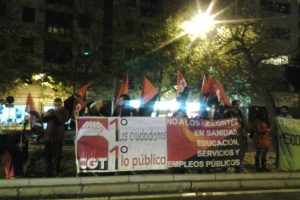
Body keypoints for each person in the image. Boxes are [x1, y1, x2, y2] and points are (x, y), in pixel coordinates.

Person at [43, 98, 69, 177]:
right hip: (48, 137)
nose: (56, 106)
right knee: (48, 157)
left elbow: (62, 120)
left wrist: (56, 112)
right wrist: (45, 115)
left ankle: (56, 173)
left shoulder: (64, 112)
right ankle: (48, 173)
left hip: (58, 138)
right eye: (55, 105)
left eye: (58, 105)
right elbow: (44, 120)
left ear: (61, 105)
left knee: (57, 157)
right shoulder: (51, 110)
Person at [224, 100, 249, 173]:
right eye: (237, 104)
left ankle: (239, 167)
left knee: (240, 152)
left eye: (239, 104)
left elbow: (244, 123)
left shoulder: (240, 113)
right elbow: (224, 123)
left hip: (240, 135)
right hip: (232, 135)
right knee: (231, 151)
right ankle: (228, 167)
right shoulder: (228, 113)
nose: (238, 106)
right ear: (233, 105)